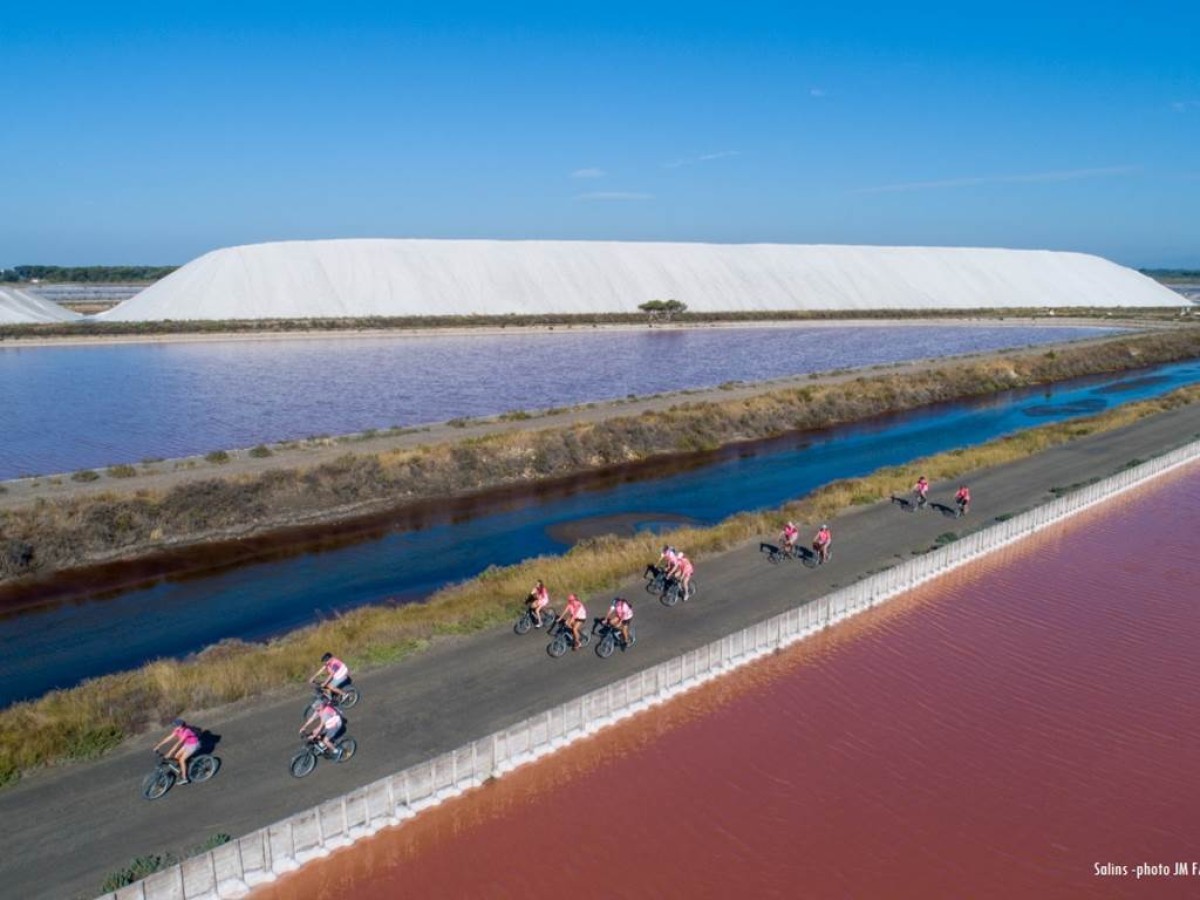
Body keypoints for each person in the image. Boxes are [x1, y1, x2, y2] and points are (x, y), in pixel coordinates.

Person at [154, 718, 201, 784]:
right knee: (176, 756)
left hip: (193, 745)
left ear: (180, 726)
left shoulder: (186, 731)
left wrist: (170, 753)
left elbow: (178, 743)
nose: (174, 727)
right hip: (187, 744)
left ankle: (185, 778)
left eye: (175, 725)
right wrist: (159, 745)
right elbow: (169, 738)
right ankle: (184, 767)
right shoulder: (177, 730)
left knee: (181, 760)